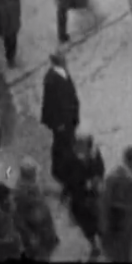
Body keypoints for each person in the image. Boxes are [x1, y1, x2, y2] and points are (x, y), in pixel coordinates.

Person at [63, 130, 106, 260]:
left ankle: (103, 241)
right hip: (80, 201)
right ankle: (95, 245)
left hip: (92, 197)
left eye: (82, 144)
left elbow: (100, 170)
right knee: (88, 227)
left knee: (98, 220)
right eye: (78, 144)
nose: (79, 147)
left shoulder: (94, 156)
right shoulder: (71, 159)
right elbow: (68, 179)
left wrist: (95, 181)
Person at [41, 49, 81, 188]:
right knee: (62, 146)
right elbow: (50, 105)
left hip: (68, 119)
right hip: (61, 122)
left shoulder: (63, 74)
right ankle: (61, 173)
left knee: (66, 144)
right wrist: (57, 123)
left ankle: (63, 170)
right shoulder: (52, 80)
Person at [100, 146, 132, 263]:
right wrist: (104, 223)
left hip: (131, 216)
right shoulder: (114, 177)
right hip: (118, 216)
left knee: (129, 244)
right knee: (118, 247)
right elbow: (106, 201)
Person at [13, 157, 60, 261]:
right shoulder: (21, 193)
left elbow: (43, 190)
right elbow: (19, 218)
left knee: (47, 247)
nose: (36, 174)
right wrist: (30, 236)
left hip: (44, 224)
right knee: (42, 255)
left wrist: (56, 192)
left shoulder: (33, 183)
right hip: (36, 230)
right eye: (34, 172)